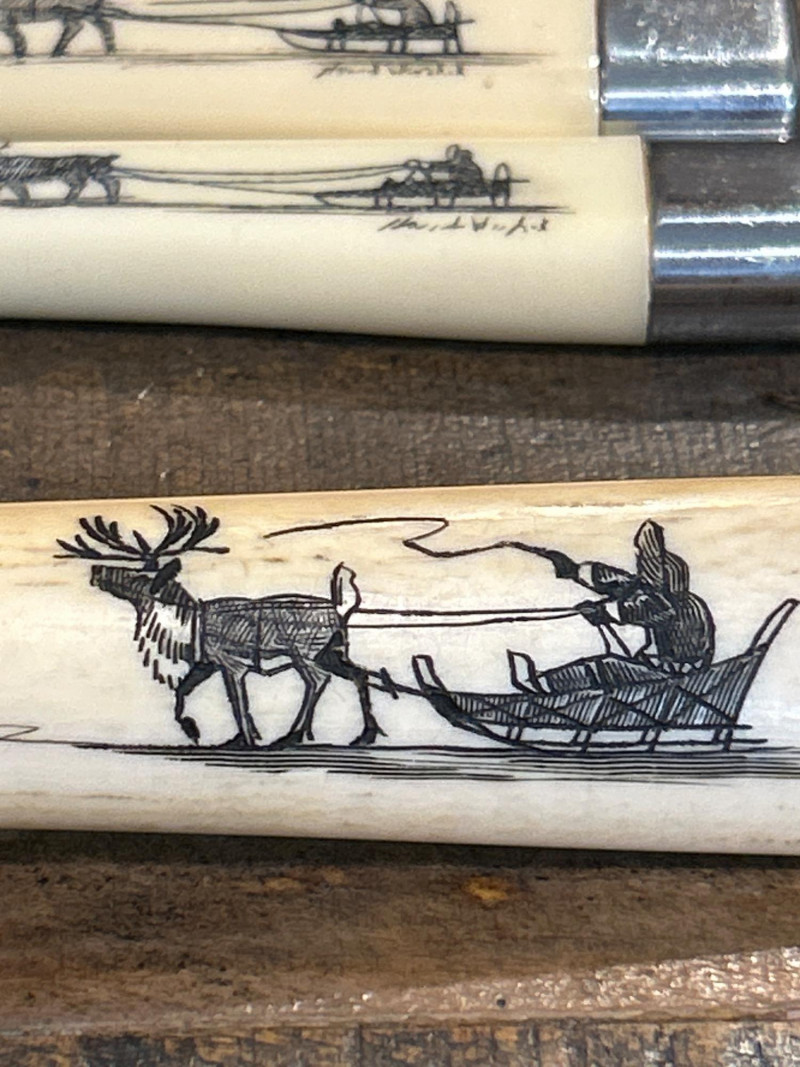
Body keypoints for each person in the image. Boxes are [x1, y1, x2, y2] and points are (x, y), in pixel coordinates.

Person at [536, 520, 715, 673]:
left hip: (679, 665)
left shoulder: (663, 599)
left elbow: (646, 608)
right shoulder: (675, 589)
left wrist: (602, 612)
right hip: (679, 659)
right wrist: (577, 571)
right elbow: (626, 584)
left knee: (606, 668)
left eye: (641, 554)